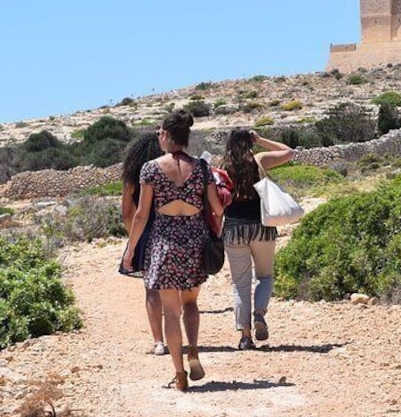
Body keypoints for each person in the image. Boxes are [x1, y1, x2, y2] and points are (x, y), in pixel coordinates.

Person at [123, 110, 225, 392]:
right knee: (191, 304)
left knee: (171, 312)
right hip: (195, 242)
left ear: (166, 135)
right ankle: (193, 348)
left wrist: (130, 251)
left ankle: (179, 374)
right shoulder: (202, 168)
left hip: (164, 244)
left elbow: (141, 215)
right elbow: (216, 208)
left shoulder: (150, 169)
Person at [223, 128, 294, 350]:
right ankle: (259, 313)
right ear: (249, 142)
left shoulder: (222, 167)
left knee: (240, 283)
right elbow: (288, 152)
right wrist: (261, 140)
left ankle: (245, 337)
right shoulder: (259, 160)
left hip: (234, 229)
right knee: (265, 276)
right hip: (262, 227)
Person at [119, 132, 165, 356]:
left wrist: (133, 240)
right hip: (171, 230)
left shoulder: (131, 177)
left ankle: (158, 341)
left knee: (151, 289)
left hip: (145, 233)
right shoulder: (168, 171)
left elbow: (128, 213)